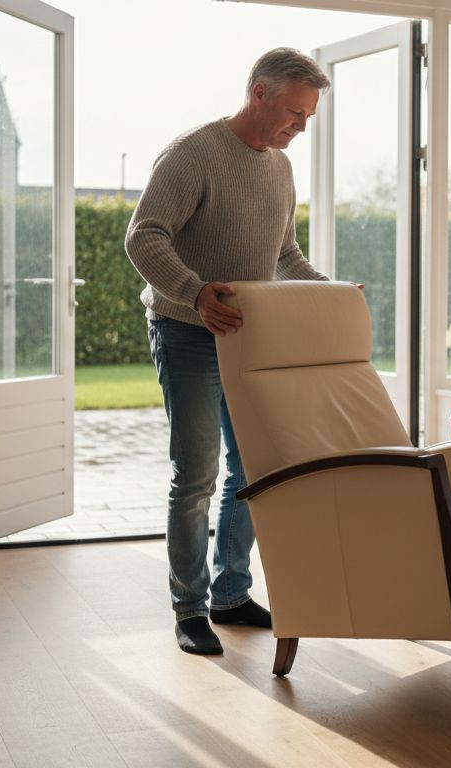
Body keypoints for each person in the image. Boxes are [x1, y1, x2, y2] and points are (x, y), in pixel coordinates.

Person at [125, 48, 330, 656]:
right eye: (295, 112)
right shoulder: (194, 154)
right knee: (196, 476)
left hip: (251, 340)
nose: (301, 126)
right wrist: (193, 292)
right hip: (187, 333)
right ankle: (190, 609)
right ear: (259, 94)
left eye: (310, 115)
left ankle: (231, 593)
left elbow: (284, 258)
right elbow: (144, 236)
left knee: (253, 471)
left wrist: (333, 295)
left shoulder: (281, 170)